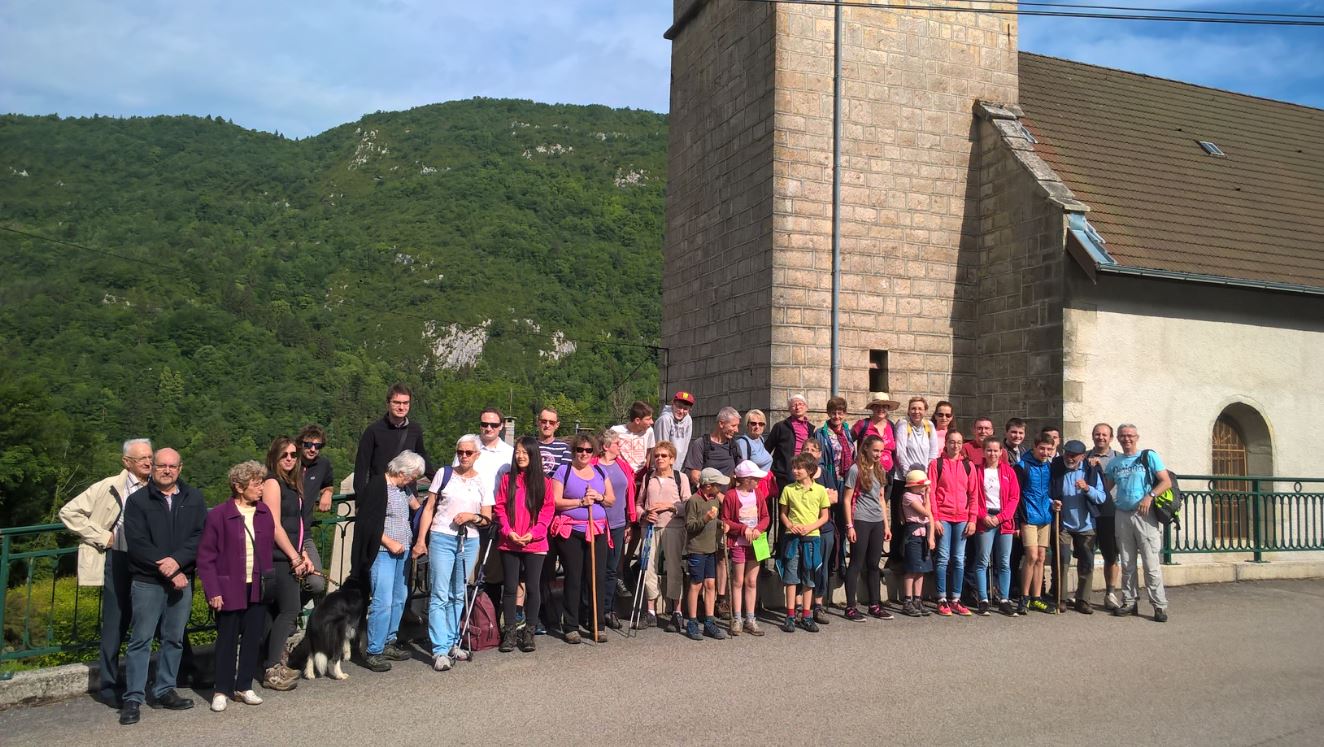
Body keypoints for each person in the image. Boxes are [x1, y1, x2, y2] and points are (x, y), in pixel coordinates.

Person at [58, 437, 153, 708]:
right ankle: (109, 684)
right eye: (141, 458)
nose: (148, 462)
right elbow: (69, 512)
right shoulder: (109, 486)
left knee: (156, 618)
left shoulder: (159, 486)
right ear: (127, 462)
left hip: (150, 561)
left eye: (150, 456)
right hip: (119, 558)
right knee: (116, 621)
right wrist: (103, 537)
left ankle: (156, 680)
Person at [119, 448, 206, 725]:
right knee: (140, 640)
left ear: (180, 468)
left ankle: (165, 689)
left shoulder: (194, 498)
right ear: (152, 468)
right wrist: (167, 567)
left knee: (174, 638)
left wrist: (178, 562)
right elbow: (137, 542)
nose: (166, 470)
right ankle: (133, 697)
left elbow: (199, 535)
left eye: (172, 466)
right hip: (148, 580)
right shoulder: (137, 501)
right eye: (161, 466)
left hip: (181, 578)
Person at [197, 461, 274, 713]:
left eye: (261, 482)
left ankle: (244, 686)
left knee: (253, 638)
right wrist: (213, 590)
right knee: (227, 640)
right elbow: (206, 557)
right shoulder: (219, 515)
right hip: (229, 587)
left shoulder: (264, 513)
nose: (261, 488)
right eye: (256, 484)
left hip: (257, 586)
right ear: (239, 487)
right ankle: (221, 689)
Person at [415, 436, 494, 670]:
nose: (463, 456)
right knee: (440, 592)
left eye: (469, 452)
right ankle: (439, 649)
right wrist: (422, 539)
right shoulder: (444, 473)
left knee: (458, 593)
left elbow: (487, 518)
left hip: (469, 540)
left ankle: (452, 642)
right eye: (460, 452)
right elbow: (429, 507)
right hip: (442, 536)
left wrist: (471, 517)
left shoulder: (482, 481)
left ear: (477, 455)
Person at [350, 450, 426, 672]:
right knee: (382, 601)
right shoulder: (377, 486)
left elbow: (416, 508)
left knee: (399, 598)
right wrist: (389, 542)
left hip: (403, 552)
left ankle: (389, 641)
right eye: (413, 475)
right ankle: (374, 650)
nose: (414, 479)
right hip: (383, 551)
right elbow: (366, 523)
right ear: (402, 471)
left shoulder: (403, 489)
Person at [550, 433, 615, 643]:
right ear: (574, 451)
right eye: (580, 450)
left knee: (596, 577)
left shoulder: (599, 470)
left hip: (597, 530)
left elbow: (611, 500)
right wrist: (580, 502)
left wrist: (599, 497)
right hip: (571, 531)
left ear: (593, 452)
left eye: (588, 450)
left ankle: (597, 624)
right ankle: (570, 625)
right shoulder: (564, 470)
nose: (584, 454)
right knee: (574, 577)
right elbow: (556, 501)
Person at [1104, 424, 1172, 622]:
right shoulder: (1115, 463)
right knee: (1127, 562)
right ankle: (1129, 600)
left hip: (1145, 514)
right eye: (1123, 436)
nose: (1127, 439)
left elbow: (1165, 481)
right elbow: (1106, 488)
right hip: (1122, 514)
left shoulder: (1148, 456)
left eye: (1130, 436)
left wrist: (1150, 496)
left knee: (1151, 563)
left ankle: (1159, 605)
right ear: (1118, 438)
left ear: (1137, 437)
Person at [493, 437, 555, 653]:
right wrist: (508, 531)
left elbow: (548, 511)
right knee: (509, 588)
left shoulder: (544, 482)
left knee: (532, 586)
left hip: (534, 542)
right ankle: (509, 631)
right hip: (509, 541)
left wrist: (533, 533)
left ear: (533, 455)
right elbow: (499, 507)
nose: (520, 456)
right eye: (518, 452)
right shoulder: (507, 479)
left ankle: (529, 630)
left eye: (525, 453)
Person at [259, 437, 311, 691]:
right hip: (277, 557)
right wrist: (294, 556)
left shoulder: (291, 484)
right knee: (289, 610)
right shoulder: (272, 483)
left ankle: (269, 663)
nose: (289, 458)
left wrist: (303, 552)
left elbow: (297, 526)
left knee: (276, 612)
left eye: (293, 454)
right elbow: (274, 525)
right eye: (284, 455)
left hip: (288, 553)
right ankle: (272, 668)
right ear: (274, 458)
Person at [683, 405, 742, 617]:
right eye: (733, 425)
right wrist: (718, 495)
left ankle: (721, 599)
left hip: (727, 506)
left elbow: (739, 473)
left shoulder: (734, 447)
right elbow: (695, 475)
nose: (736, 430)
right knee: (703, 551)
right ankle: (698, 600)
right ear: (721, 423)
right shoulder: (701, 444)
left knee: (721, 552)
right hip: (707, 505)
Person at [638, 441, 691, 631]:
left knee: (674, 568)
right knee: (648, 568)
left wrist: (669, 507)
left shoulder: (680, 477)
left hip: (673, 527)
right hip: (650, 527)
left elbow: (687, 504)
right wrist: (644, 514)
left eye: (664, 456)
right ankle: (650, 611)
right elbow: (639, 504)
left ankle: (677, 612)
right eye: (657, 455)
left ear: (672, 459)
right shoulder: (647, 478)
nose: (659, 458)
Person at [1051, 440, 1107, 614]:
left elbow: (1101, 497)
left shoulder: (1091, 470)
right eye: (1067, 453)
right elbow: (1047, 491)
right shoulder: (1057, 467)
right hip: (1063, 523)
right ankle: (1060, 599)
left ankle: (1083, 600)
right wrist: (1053, 503)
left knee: (1086, 562)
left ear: (1083, 456)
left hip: (1086, 524)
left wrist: (1087, 488)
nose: (1070, 457)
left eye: (1074, 455)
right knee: (1062, 560)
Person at [777, 453, 830, 633]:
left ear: (810, 470)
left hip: (812, 538)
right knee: (791, 578)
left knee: (809, 579)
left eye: (799, 468)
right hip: (792, 538)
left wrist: (810, 527)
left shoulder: (820, 490)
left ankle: (806, 615)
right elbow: (783, 513)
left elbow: (825, 516)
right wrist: (790, 525)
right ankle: (790, 615)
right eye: (794, 468)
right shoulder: (788, 489)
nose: (795, 471)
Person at [842, 434, 893, 621]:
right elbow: (847, 500)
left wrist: (886, 525)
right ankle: (850, 607)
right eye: (875, 450)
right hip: (861, 520)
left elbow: (881, 499)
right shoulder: (855, 470)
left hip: (877, 521)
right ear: (866, 450)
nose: (878, 454)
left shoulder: (881, 470)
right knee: (856, 563)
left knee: (873, 564)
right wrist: (850, 526)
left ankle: (875, 604)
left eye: (881, 451)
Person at [928, 431, 977, 617]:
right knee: (942, 557)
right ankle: (941, 598)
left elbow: (974, 495)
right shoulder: (936, 464)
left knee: (958, 559)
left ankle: (955, 599)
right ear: (945, 444)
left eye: (958, 442)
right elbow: (931, 492)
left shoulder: (968, 466)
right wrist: (936, 518)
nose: (955, 446)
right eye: (951, 442)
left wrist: (972, 519)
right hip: (944, 517)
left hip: (962, 517)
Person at [353, 383, 434, 496]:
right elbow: (361, 467)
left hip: (408, 494)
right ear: (388, 404)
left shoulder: (415, 429)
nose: (401, 407)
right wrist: (360, 500)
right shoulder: (373, 431)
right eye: (396, 402)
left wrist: (436, 481)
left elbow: (422, 456)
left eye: (405, 403)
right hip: (381, 494)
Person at [971, 438, 1021, 616]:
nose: (992, 454)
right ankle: (983, 598)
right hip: (984, 519)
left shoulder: (1008, 471)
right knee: (983, 560)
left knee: (1004, 562)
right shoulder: (977, 471)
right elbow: (973, 495)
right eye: (989, 450)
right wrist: (982, 515)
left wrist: (1001, 517)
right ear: (984, 452)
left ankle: (1004, 599)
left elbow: (1014, 497)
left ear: (1001, 453)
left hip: (1003, 520)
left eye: (996, 451)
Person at [814, 396, 854, 616]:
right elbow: (818, 461)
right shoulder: (821, 433)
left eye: (840, 412)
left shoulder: (848, 432)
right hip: (830, 482)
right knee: (830, 525)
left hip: (846, 482)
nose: (837, 416)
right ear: (828, 413)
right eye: (833, 412)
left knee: (844, 523)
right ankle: (830, 565)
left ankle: (840, 561)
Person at [722, 461, 770, 636]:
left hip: (756, 543)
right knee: (738, 581)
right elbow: (726, 520)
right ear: (745, 479)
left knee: (751, 581)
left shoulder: (758, 494)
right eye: (755, 478)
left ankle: (750, 618)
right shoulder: (731, 495)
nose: (758, 481)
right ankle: (737, 617)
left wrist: (758, 529)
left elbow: (765, 516)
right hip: (738, 543)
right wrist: (743, 529)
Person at [596, 428, 639, 628]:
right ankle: (592, 610)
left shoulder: (623, 466)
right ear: (606, 446)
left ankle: (608, 609)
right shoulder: (593, 465)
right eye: (616, 444)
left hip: (619, 523)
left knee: (613, 569)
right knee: (597, 568)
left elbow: (630, 493)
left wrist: (630, 521)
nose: (620, 447)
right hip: (598, 524)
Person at [892, 396, 940, 571]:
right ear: (908, 410)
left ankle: (924, 554)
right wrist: (910, 476)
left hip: (924, 479)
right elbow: (900, 451)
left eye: (920, 408)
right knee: (903, 519)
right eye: (913, 408)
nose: (916, 412)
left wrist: (925, 477)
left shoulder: (930, 426)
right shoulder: (903, 425)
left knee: (925, 515)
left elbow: (933, 452)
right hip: (905, 478)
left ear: (925, 410)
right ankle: (899, 555)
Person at [682, 468, 729, 640]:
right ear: (708, 485)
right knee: (696, 585)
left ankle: (709, 621)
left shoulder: (715, 499)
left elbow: (715, 519)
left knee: (711, 584)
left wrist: (720, 524)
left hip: (711, 548)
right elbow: (690, 526)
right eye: (717, 485)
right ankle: (692, 622)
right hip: (697, 549)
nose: (720, 488)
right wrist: (706, 519)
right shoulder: (693, 501)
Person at [1015, 435, 1056, 615]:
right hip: (1028, 516)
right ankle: (1024, 597)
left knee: (1040, 557)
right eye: (1042, 449)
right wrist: (1016, 521)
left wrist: (1053, 503)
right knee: (1031, 556)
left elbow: (1048, 491)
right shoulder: (1022, 466)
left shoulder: (1048, 466)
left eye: (1049, 449)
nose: (1045, 452)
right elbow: (1015, 495)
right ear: (1034, 447)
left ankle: (1036, 598)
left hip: (1045, 516)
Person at [799, 439, 837, 624]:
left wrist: (819, 497)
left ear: (820, 454)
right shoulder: (797, 475)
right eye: (806, 449)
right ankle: (800, 606)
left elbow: (834, 497)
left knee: (820, 568)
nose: (810, 452)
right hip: (803, 528)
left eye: (813, 450)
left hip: (823, 528)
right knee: (803, 567)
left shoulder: (826, 474)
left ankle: (818, 605)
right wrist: (823, 496)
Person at [1086, 423, 1123, 610]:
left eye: (1104, 434)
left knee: (1111, 555)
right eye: (1097, 434)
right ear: (1092, 436)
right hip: (1089, 513)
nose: (1101, 437)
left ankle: (1110, 593)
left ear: (1111, 438)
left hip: (1110, 513)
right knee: (1086, 555)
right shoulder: (1084, 456)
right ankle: (1084, 595)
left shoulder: (1118, 459)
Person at [295, 424, 333, 594]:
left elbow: (328, 483)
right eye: (308, 444)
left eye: (317, 446)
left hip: (305, 534)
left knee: (317, 583)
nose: (312, 449)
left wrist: (328, 493)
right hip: (282, 533)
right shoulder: (290, 462)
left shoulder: (323, 465)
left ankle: (293, 611)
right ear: (299, 444)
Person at [898, 469, 935, 617]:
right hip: (913, 534)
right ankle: (907, 600)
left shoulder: (921, 496)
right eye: (921, 486)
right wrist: (927, 496)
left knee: (921, 569)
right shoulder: (908, 496)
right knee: (912, 568)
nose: (923, 488)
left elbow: (930, 517)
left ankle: (917, 599)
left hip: (923, 533)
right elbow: (926, 513)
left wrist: (931, 537)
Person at [766, 394, 814, 491]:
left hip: (804, 471)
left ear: (806, 407)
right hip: (785, 474)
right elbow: (767, 448)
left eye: (800, 404)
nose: (797, 407)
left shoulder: (810, 428)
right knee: (785, 504)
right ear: (789, 409)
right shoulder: (780, 427)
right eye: (793, 405)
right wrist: (772, 471)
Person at [850, 392, 897, 481]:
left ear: (888, 408)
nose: (881, 409)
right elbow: (847, 443)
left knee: (884, 496)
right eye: (877, 406)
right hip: (866, 474)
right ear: (872, 408)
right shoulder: (862, 425)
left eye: (884, 406)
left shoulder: (891, 426)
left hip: (887, 474)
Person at [470, 407, 515, 493]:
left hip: (498, 505)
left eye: (494, 425)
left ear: (501, 426)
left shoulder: (510, 453)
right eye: (485, 424)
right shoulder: (467, 448)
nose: (489, 428)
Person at [611, 401, 656, 475]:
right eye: (648, 419)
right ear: (637, 420)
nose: (652, 422)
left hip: (640, 472)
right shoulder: (616, 431)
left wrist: (646, 473)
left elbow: (648, 453)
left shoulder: (649, 431)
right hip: (621, 472)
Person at [654, 391, 696, 468]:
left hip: (677, 466)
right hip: (662, 467)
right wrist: (667, 470)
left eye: (685, 409)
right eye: (679, 407)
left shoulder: (688, 420)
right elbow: (661, 447)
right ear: (673, 403)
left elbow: (685, 447)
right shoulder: (665, 419)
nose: (681, 411)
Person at [535, 407, 572, 476]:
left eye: (551, 422)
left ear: (557, 425)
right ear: (537, 422)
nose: (547, 425)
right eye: (544, 421)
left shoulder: (565, 449)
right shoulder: (529, 446)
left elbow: (564, 476)